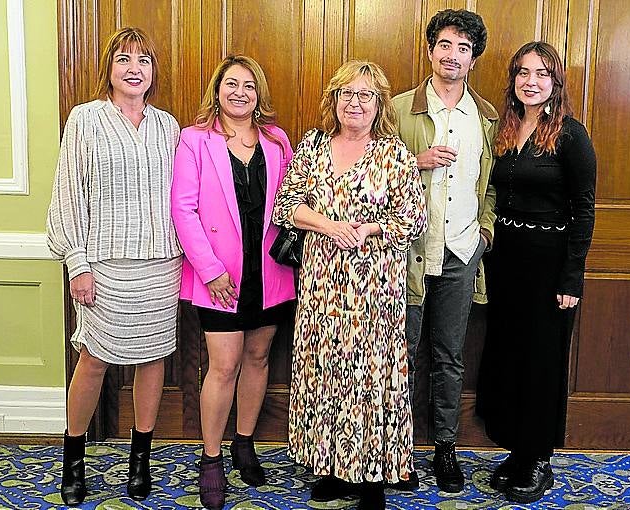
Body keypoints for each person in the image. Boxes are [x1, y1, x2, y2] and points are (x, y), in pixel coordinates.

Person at [274, 60, 426, 510]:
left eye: (365, 95)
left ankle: (372, 476)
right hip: (321, 285)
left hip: (374, 289)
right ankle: (331, 467)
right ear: (333, 101)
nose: (354, 103)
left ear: (379, 104)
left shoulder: (394, 153)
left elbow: (413, 218)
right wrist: (329, 225)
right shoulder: (313, 147)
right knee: (326, 373)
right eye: (346, 94)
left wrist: (368, 230)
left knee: (372, 378)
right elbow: (287, 206)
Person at [46, 27, 182, 505]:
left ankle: (139, 459)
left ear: (153, 72)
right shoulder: (85, 119)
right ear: (109, 68)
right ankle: (74, 458)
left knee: (153, 360)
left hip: (162, 264)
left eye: (143, 60)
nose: (134, 68)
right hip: (102, 265)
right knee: (94, 360)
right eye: (124, 59)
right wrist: (76, 263)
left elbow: (181, 198)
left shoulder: (168, 126)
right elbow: (67, 193)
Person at [170, 55, 296, 510]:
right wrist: (210, 270)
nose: (240, 92)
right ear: (217, 90)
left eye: (249, 85)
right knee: (223, 366)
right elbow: (183, 210)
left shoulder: (277, 140)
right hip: (218, 276)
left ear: (258, 93)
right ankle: (211, 458)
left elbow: (294, 201)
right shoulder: (195, 140)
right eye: (231, 84)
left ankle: (245, 442)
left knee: (258, 357)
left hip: (270, 273)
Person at [476, 41, 596, 504]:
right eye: (523, 73)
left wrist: (572, 278)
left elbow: (584, 209)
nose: (531, 81)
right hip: (504, 263)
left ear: (555, 83)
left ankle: (538, 457)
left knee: (542, 361)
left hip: (549, 268)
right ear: (513, 81)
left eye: (542, 74)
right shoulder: (503, 129)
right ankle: (517, 450)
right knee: (509, 355)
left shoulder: (571, 135)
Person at [392, 9, 497, 493]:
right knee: (402, 354)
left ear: (473, 58)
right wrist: (417, 161)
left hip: (460, 251)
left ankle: (445, 448)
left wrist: (484, 235)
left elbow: (491, 186)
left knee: (450, 356)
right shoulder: (395, 109)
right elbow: (370, 176)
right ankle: (398, 450)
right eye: (446, 45)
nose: (453, 55)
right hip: (408, 253)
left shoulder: (488, 117)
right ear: (431, 49)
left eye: (463, 48)